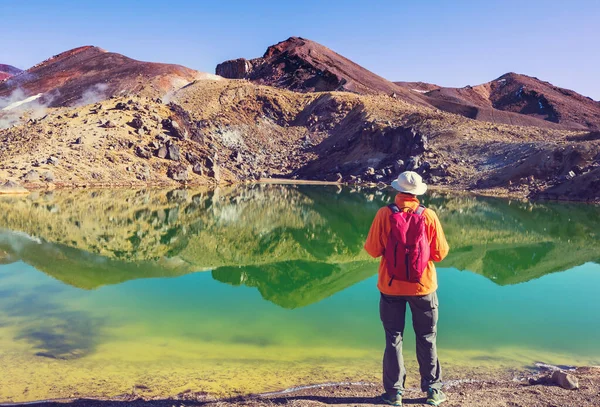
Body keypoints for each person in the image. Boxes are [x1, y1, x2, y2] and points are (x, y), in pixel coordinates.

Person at [364, 171, 449, 406]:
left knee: (393, 338)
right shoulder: (429, 215)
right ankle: (433, 390)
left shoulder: (384, 214)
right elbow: (441, 254)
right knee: (427, 337)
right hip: (423, 288)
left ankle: (394, 394)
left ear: (397, 190)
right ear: (418, 193)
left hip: (390, 287)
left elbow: (372, 250)